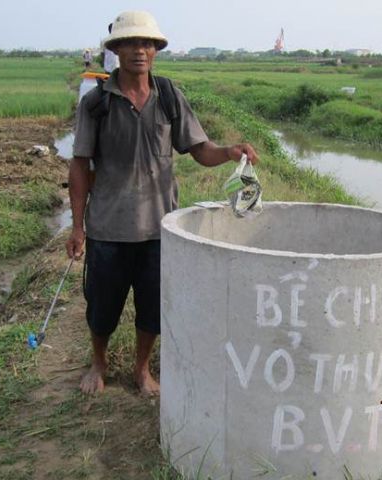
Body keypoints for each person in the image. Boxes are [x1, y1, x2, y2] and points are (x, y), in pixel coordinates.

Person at [66, 10, 259, 396]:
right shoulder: (96, 105)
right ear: (116, 49)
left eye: (147, 43)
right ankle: (98, 364)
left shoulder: (170, 96)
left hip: (160, 229)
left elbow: (199, 149)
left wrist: (227, 151)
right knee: (101, 307)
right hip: (108, 227)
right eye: (131, 43)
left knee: (152, 308)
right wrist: (77, 225)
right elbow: (79, 165)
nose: (140, 50)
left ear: (156, 50)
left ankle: (141, 370)